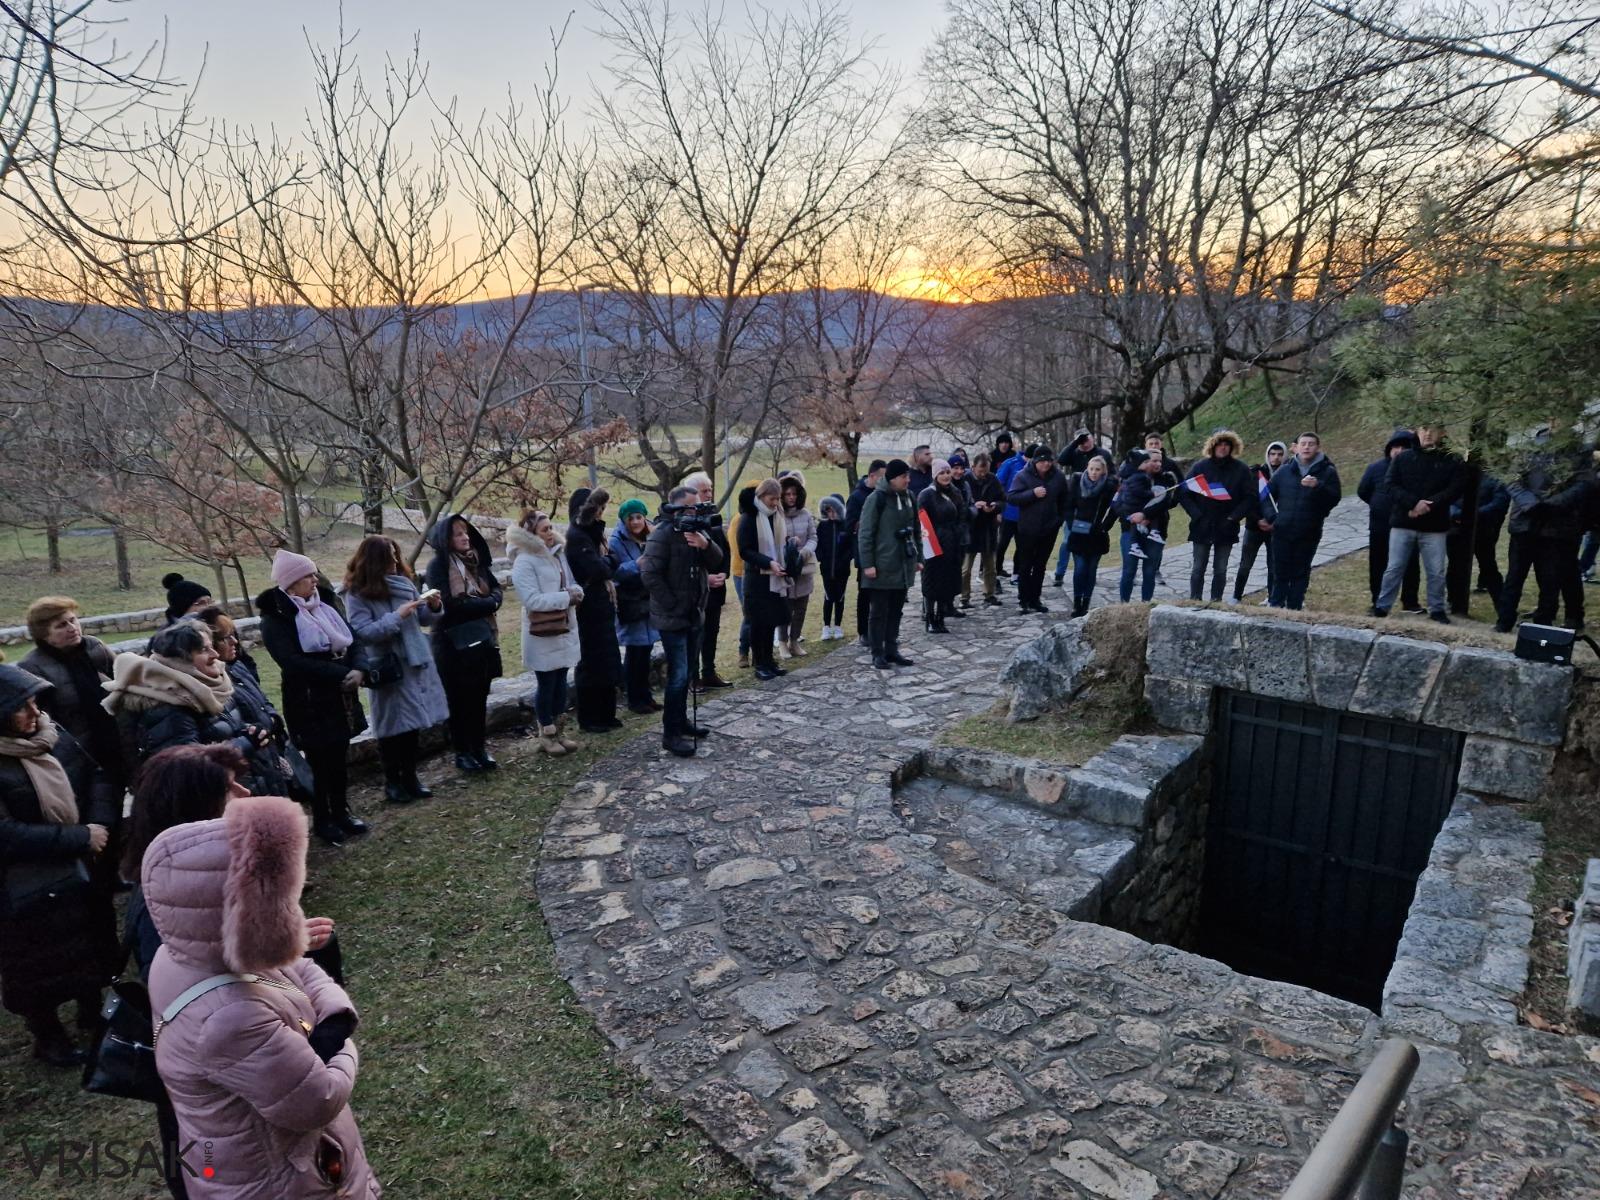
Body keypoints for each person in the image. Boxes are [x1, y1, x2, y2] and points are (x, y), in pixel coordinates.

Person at [142, 793, 379, 1200]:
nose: (292, 905)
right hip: (278, 1179)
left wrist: (331, 1018)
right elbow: (316, 1099)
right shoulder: (228, 1017)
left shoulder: (191, 951)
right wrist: (343, 1042)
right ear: (231, 908)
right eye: (275, 897)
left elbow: (298, 966)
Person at [0, 664, 119, 1067]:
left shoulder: (52, 734)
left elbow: (97, 775)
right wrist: (79, 837)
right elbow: (5, 832)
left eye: (34, 701)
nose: (34, 713)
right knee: (36, 964)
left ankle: (93, 1012)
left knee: (87, 942)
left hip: (80, 865)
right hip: (21, 884)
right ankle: (49, 1039)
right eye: (20, 707)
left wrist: (98, 825)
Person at [254, 551, 369, 840]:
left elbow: (354, 640)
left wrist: (359, 668)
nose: (314, 579)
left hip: (341, 696)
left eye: (314, 573)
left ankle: (342, 812)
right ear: (291, 583)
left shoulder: (327, 605)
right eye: (308, 575)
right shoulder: (276, 618)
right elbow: (292, 662)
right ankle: (323, 819)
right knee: (319, 762)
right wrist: (340, 674)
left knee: (339, 757)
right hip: (308, 700)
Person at [342, 535, 448, 805]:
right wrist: (396, 616)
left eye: (395, 554)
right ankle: (393, 782)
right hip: (388, 668)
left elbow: (421, 619)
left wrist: (434, 606)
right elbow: (362, 633)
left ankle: (411, 777)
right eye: (388, 556)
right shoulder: (356, 593)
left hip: (414, 662)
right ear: (375, 561)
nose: (395, 561)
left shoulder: (404, 582)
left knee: (412, 726)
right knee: (391, 728)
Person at [102, 621, 272, 779]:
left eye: (211, 646)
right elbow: (186, 767)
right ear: (180, 662)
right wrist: (243, 745)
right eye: (203, 650)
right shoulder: (168, 706)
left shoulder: (211, 687)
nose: (214, 654)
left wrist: (249, 732)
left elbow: (221, 730)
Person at [194, 608, 310, 831]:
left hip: (269, 757)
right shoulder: (215, 685)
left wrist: (273, 718)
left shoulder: (238, 668)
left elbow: (262, 701)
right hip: (250, 770)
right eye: (225, 638)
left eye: (233, 635)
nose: (234, 642)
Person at [640, 486, 725, 757]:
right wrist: (673, 605)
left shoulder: (695, 532)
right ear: (675, 507)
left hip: (693, 614)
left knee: (687, 674)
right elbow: (650, 574)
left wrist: (706, 544)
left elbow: (717, 561)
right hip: (673, 618)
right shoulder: (662, 535)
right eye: (691, 507)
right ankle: (671, 734)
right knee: (677, 676)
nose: (695, 511)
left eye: (697, 506)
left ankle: (682, 721)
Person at [424, 513, 505, 773]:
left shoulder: (476, 562)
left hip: (481, 640)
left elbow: (496, 590)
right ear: (446, 539)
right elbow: (451, 605)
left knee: (479, 697)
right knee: (459, 701)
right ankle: (462, 753)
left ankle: (479, 748)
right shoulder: (438, 567)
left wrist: (488, 602)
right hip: (452, 647)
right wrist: (487, 603)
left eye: (466, 532)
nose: (465, 537)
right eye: (458, 534)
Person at [19, 595, 123, 787]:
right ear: (44, 634)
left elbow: (123, 684)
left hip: (118, 744)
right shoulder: (32, 668)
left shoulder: (95, 647)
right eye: (61, 625)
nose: (72, 628)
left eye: (73, 620)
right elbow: (41, 722)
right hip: (76, 758)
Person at [1373, 424, 1467, 623]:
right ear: (1417, 432)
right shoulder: (1403, 458)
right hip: (1403, 522)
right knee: (1395, 567)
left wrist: (1429, 505)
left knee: (1436, 570)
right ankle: (1382, 606)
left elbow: (1455, 488)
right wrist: (1413, 503)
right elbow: (1390, 484)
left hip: (1435, 524)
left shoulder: (1452, 460)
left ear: (1443, 433)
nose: (1428, 434)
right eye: (1424, 429)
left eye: (1433, 430)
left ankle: (1437, 609)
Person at [507, 511, 583, 756]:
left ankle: (559, 730)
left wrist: (576, 591)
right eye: (544, 530)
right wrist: (566, 597)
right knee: (547, 683)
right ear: (531, 534)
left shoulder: (557, 554)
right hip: (542, 631)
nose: (550, 533)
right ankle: (546, 733)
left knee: (561, 680)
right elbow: (532, 599)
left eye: (551, 527)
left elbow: (569, 581)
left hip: (563, 625)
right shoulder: (524, 561)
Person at [1495, 448, 1593, 633]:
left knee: (1550, 579)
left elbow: (1582, 485)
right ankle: (1504, 620)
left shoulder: (1579, 451)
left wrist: (1550, 504)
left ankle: (1543, 623)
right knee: (1515, 576)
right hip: (1524, 521)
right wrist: (1530, 503)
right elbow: (1513, 479)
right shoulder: (1530, 445)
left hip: (1555, 525)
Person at [565, 488, 624, 733]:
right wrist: (608, 563)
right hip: (589, 608)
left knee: (607, 660)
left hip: (602, 605)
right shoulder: (578, 537)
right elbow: (599, 569)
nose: (601, 514)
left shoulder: (593, 535)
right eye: (598, 509)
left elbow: (611, 561)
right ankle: (590, 718)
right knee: (591, 663)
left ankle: (606, 714)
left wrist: (608, 563)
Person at [1265, 432, 1343, 610]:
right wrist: (1272, 517)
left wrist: (1318, 486)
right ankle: (1276, 604)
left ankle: (1295, 605)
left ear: (1318, 448)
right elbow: (1266, 495)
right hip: (1282, 529)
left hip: (1309, 530)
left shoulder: (1327, 472)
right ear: (1296, 447)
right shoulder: (1285, 470)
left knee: (1300, 570)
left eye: (1311, 444)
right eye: (1303, 444)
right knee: (1280, 569)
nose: (1307, 447)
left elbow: (1334, 498)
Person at [1179, 430, 1257, 602]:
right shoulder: (1200, 467)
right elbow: (1184, 492)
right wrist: (1196, 514)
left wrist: (1233, 517)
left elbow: (1250, 497)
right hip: (1202, 525)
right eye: (1219, 444)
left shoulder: (1241, 469)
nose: (1223, 448)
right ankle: (1194, 599)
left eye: (1226, 445)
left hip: (1226, 527)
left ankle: (1216, 601)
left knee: (1221, 569)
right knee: (1198, 567)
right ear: (1212, 446)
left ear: (1232, 447)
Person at [858, 459, 919, 670]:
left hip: (903, 563)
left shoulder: (910, 497)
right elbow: (865, 534)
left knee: (896, 610)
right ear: (892, 478)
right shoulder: (876, 499)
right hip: (881, 564)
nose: (908, 480)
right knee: (878, 611)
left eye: (908, 476)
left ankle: (892, 649)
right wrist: (868, 564)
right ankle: (877, 652)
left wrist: (918, 557)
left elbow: (916, 529)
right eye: (904, 477)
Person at [1357, 430, 1422, 614]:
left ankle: (1410, 601)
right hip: (1380, 526)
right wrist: (1378, 504)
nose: (1399, 451)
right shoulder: (1375, 468)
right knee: (1378, 563)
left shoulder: (1416, 470)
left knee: (1410, 563)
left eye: (1404, 447)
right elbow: (1363, 491)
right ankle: (1377, 600)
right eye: (1395, 446)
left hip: (1407, 524)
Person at [682, 472, 734, 690]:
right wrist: (706, 577)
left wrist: (723, 573)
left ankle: (709, 671)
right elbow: (684, 559)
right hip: (695, 591)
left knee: (712, 631)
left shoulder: (712, 516)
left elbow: (724, 549)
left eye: (710, 489)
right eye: (704, 491)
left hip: (716, 589)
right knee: (696, 633)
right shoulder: (685, 522)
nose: (709, 494)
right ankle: (693, 677)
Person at [737, 479, 791, 681]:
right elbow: (745, 550)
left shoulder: (776, 515)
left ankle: (769, 661)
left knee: (771, 622)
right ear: (761, 497)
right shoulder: (749, 517)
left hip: (775, 578)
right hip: (757, 578)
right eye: (772, 498)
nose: (775, 503)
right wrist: (768, 563)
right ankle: (759, 664)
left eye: (778, 499)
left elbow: (780, 542)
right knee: (758, 624)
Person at [610, 499, 661, 715]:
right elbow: (614, 571)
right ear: (624, 520)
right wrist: (636, 565)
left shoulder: (650, 534)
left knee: (646, 650)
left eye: (639, 517)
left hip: (648, 599)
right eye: (630, 518)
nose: (635, 522)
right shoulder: (616, 541)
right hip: (631, 601)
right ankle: (634, 699)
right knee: (635, 653)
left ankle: (646, 696)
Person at [1007, 445, 1071, 613]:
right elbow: (1012, 497)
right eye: (1042, 461)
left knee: (1040, 565)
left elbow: (1065, 500)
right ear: (1035, 461)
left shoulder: (1058, 477)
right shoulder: (1023, 475)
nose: (1046, 465)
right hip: (1027, 528)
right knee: (1025, 564)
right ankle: (1023, 600)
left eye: (1049, 461)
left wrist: (1059, 520)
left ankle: (1035, 599)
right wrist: (1032, 493)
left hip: (1049, 528)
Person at [1116, 449, 1179, 603]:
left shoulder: (1165, 480)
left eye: (1160, 461)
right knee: (1129, 570)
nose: (1157, 464)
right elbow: (1118, 503)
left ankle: (1146, 604)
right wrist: (1132, 517)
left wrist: (1145, 516)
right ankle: (1124, 605)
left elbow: (1166, 502)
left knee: (1149, 571)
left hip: (1156, 531)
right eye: (1153, 460)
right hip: (1130, 530)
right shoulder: (1129, 478)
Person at [1058, 455, 1117, 616]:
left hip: (1097, 533)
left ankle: (1086, 602)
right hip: (1079, 531)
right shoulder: (1077, 482)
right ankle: (1077, 602)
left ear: (1103, 470)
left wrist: (1105, 526)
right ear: (1087, 468)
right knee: (1080, 568)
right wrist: (1072, 524)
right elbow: (1068, 506)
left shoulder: (1109, 485)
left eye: (1097, 469)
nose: (1094, 472)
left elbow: (1115, 507)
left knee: (1091, 569)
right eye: (1091, 469)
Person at [1233, 441, 1287, 604]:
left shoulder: (1288, 474)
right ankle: (1236, 595)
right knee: (1245, 563)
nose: (1276, 458)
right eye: (1272, 454)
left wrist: (1275, 522)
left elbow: (1288, 501)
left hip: (1276, 527)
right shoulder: (1256, 473)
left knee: (1274, 564)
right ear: (1267, 455)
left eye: (1279, 454)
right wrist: (1258, 519)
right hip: (1254, 526)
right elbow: (1247, 499)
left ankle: (1271, 597)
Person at [918, 459, 964, 633]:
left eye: (947, 472)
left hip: (952, 542)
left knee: (947, 582)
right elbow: (921, 520)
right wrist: (930, 542)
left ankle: (941, 617)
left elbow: (962, 515)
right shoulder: (926, 494)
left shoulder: (956, 493)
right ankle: (930, 618)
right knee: (931, 582)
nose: (945, 476)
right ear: (935, 475)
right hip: (933, 542)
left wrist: (959, 533)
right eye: (941, 473)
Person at [777, 473, 819, 658]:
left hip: (803, 565)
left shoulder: (806, 514)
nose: (791, 497)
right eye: (787, 494)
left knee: (801, 608)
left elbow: (813, 537)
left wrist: (805, 551)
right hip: (784, 567)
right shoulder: (777, 516)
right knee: (784, 608)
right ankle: (782, 643)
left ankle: (795, 641)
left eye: (794, 494)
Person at [845, 460, 886, 647]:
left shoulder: (885, 495)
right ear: (872, 476)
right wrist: (866, 523)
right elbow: (849, 525)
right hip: (864, 552)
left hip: (883, 551)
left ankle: (880, 628)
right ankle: (863, 631)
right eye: (882, 477)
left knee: (882, 593)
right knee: (865, 593)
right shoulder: (856, 497)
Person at [964, 453, 1005, 608]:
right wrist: (975, 506)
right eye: (980, 471)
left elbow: (1003, 499)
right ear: (973, 467)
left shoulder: (993, 479)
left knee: (990, 567)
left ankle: (989, 594)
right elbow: (961, 503)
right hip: (971, 528)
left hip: (988, 527)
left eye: (986, 471)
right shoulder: (965, 480)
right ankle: (964, 597)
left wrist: (995, 507)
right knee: (966, 567)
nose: (983, 474)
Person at [816, 494, 853, 639]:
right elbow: (817, 543)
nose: (831, 514)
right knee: (828, 597)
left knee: (840, 597)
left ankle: (837, 626)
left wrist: (845, 560)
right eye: (828, 511)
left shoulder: (845, 526)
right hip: (826, 569)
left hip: (842, 570)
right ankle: (826, 626)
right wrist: (821, 558)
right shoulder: (823, 526)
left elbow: (850, 547)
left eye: (834, 510)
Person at [1471, 474, 1510, 604]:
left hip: (1484, 527)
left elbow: (1499, 504)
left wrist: (1472, 515)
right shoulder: (1462, 473)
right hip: (1460, 527)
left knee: (1488, 564)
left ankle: (1501, 604)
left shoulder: (1496, 479)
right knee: (1456, 566)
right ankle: (1454, 601)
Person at [995, 442, 1029, 577]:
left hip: (1025, 515)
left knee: (1021, 546)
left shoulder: (1036, 468)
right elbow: (998, 484)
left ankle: (1017, 573)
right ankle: (997, 569)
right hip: (1008, 513)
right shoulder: (1011, 463)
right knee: (1002, 543)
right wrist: (1000, 508)